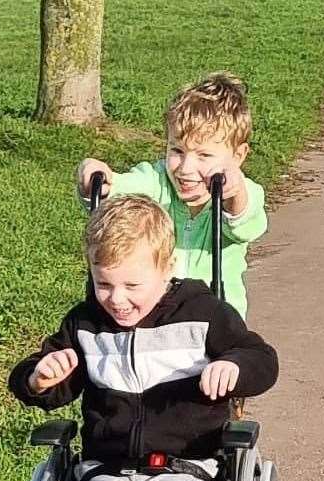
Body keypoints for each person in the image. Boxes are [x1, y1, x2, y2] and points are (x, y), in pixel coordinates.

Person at [8, 196, 278, 481]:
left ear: (166, 267)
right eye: (103, 284)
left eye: (132, 284)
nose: (117, 299)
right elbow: (53, 382)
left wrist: (233, 367)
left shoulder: (203, 314)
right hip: (108, 467)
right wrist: (39, 375)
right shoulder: (86, 324)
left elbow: (262, 358)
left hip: (185, 466)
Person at [75, 72, 266, 320]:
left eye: (204, 156)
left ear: (238, 156)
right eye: (177, 150)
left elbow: (245, 223)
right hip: (155, 318)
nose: (185, 168)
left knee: (237, 356)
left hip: (216, 321)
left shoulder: (243, 193)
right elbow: (119, 190)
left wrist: (234, 192)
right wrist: (99, 180)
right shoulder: (156, 181)